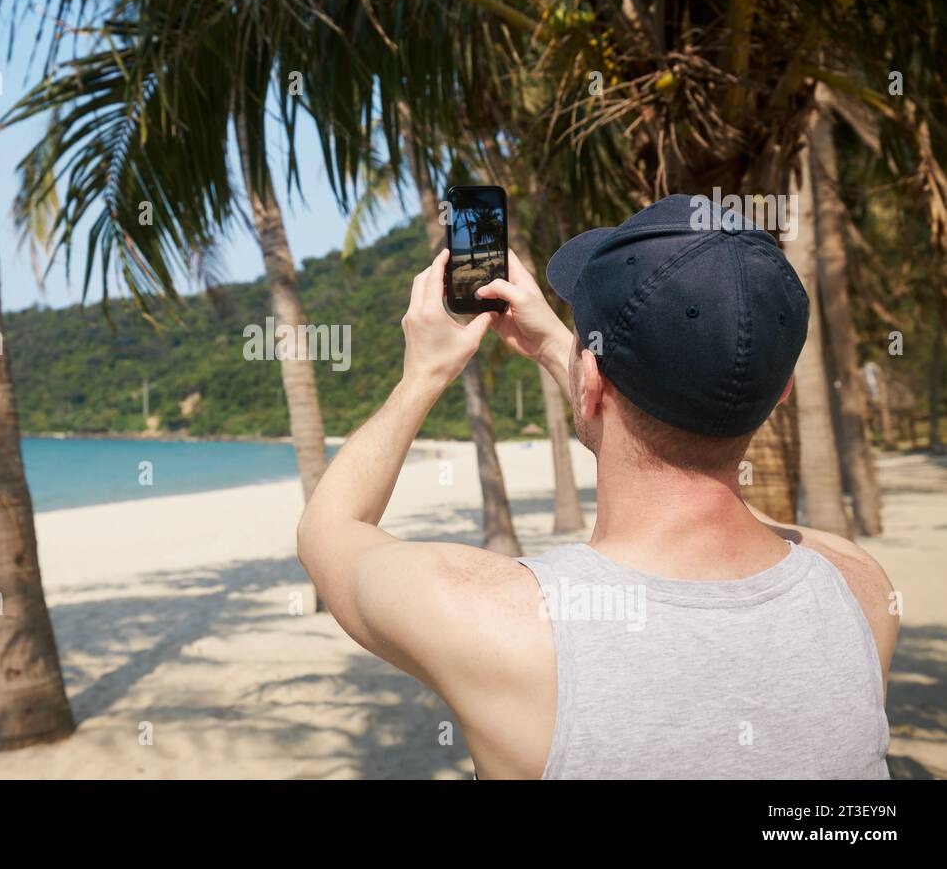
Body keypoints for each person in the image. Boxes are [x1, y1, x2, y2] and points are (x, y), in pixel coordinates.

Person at [296, 194, 897, 779]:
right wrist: (572, 357)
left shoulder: (499, 620)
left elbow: (329, 531)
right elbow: (720, 490)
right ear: (782, 391)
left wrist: (424, 372)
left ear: (589, 382)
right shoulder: (859, 587)